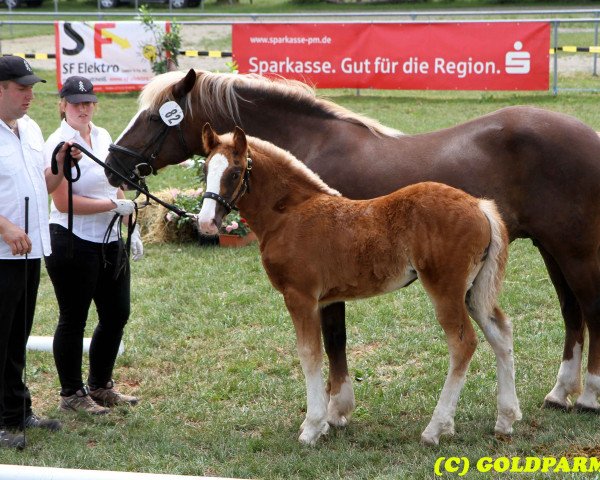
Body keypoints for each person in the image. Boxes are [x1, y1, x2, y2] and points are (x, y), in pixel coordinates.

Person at [43, 76, 142, 416]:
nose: (83, 108)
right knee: (74, 318)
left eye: (88, 102)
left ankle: (100, 384)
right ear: (63, 105)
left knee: (117, 314)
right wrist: (111, 207)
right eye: (76, 103)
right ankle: (71, 392)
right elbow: (61, 202)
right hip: (72, 239)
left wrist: (129, 218)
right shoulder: (57, 143)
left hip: (110, 239)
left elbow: (113, 183)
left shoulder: (103, 136)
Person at [0, 56, 77, 449]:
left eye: (31, 87)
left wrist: (60, 164)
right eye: (21, 88)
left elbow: (43, 185)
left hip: (29, 250)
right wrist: (4, 226)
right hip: (2, 251)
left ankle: (18, 410)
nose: (30, 95)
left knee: (17, 336)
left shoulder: (29, 128)